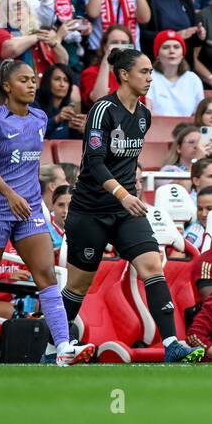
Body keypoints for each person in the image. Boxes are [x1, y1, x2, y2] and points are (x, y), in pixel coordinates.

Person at [0, 61, 92, 367]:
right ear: (7, 86)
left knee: (47, 277)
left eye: (33, 80)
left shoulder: (40, 117)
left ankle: (63, 347)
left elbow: (26, 166)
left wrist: (23, 197)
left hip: (28, 209)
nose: (31, 85)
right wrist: (10, 194)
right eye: (24, 80)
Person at [60, 48, 186, 362]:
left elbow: (127, 164)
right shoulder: (103, 110)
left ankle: (171, 343)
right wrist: (122, 194)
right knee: (79, 283)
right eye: (144, 72)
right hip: (90, 210)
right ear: (124, 75)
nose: (149, 78)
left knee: (152, 265)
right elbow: (95, 162)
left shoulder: (143, 116)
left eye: (151, 72)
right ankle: (54, 347)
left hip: (125, 209)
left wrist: (127, 196)